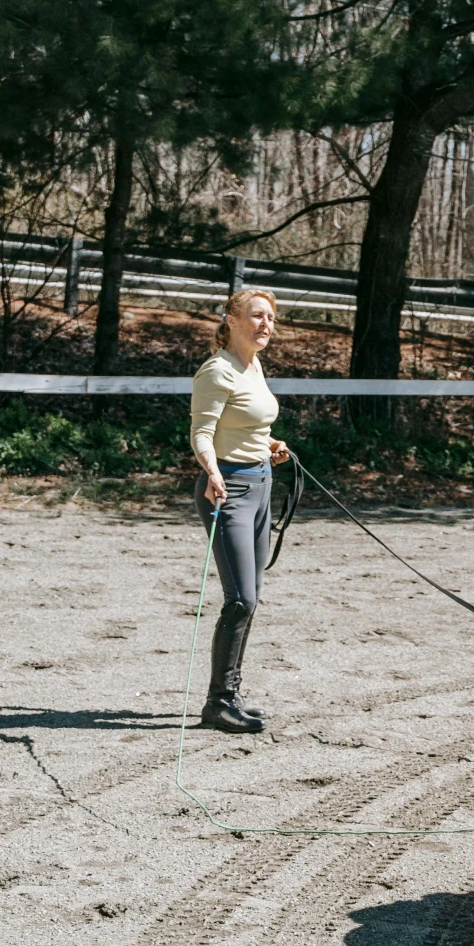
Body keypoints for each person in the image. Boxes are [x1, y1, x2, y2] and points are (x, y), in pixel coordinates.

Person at [190, 288, 293, 732]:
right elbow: (202, 433)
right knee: (240, 598)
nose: (265, 324)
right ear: (231, 320)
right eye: (256, 316)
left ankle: (230, 693)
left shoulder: (253, 364)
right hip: (227, 490)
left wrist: (269, 444)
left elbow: (248, 422)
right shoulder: (217, 371)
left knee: (251, 599)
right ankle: (217, 703)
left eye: (270, 317)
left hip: (261, 485)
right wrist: (212, 473)